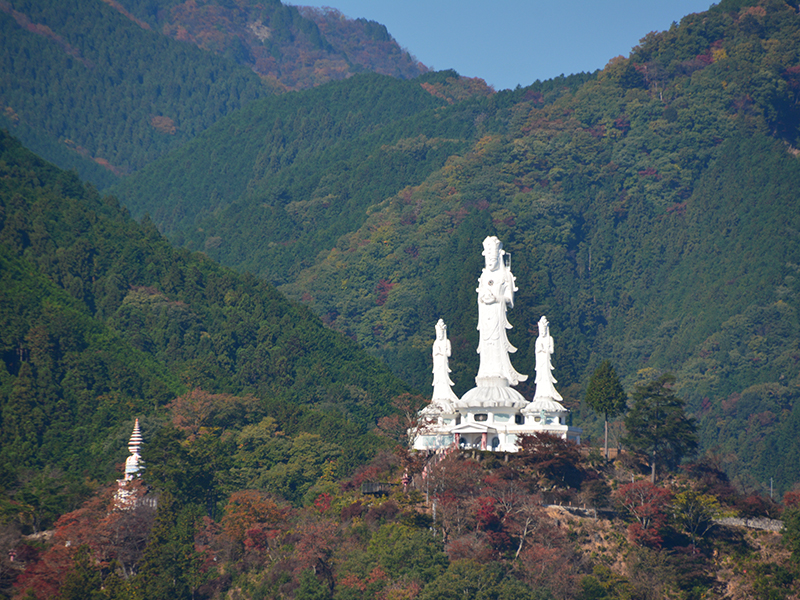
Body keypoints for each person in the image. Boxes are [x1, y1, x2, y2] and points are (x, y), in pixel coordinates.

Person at [475, 236, 527, 385]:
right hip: (485, 315)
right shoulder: (484, 276)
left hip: (497, 315)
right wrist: (484, 298)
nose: (490, 263)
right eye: (488, 260)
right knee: (486, 342)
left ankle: (499, 370)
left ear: (499, 256)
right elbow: (479, 298)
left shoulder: (505, 275)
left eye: (493, 259)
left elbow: (510, 300)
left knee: (497, 341)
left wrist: (496, 298)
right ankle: (486, 370)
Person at [533, 315, 563, 400]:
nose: (542, 332)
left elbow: (551, 350)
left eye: (544, 330)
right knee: (540, 376)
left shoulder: (550, 339)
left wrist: (545, 349)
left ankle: (548, 392)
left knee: (546, 375)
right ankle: (539, 393)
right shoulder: (538, 340)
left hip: (546, 361)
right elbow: (536, 351)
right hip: (540, 361)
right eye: (541, 330)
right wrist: (540, 349)